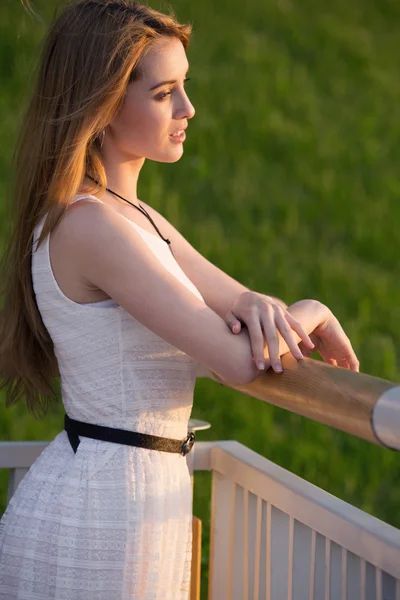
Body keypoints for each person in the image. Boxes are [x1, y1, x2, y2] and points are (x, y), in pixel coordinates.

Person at [0, 0, 359, 598]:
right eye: (165, 92)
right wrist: (313, 310)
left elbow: (243, 305)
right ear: (104, 104)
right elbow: (241, 359)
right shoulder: (93, 227)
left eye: (184, 87)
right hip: (103, 516)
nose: (189, 110)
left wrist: (260, 307)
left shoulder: (138, 219)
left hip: (136, 500)